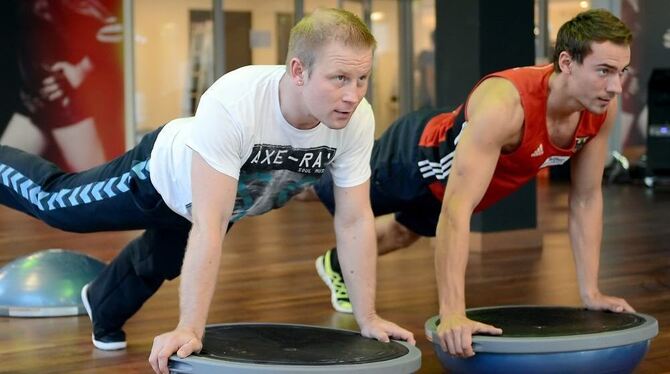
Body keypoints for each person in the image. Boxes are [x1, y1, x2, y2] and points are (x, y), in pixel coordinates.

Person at [0, 8, 414, 374]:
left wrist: (369, 318)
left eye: (362, 78)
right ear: (298, 71)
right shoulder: (238, 101)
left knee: (160, 262)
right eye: (339, 78)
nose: (352, 95)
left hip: (214, 206)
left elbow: (355, 218)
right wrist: (189, 328)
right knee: (55, 205)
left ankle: (101, 303)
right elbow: (210, 224)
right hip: (159, 177)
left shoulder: (356, 120)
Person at [305, 8, 635, 356]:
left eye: (621, 72)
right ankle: (286, 172)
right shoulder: (505, 105)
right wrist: (451, 313)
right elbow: (458, 209)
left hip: (448, 187)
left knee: (403, 234)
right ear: (567, 62)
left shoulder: (599, 110)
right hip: (416, 157)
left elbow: (585, 199)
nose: (615, 87)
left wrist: (591, 293)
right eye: (604, 71)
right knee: (321, 185)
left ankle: (335, 264)